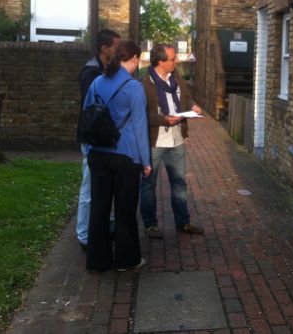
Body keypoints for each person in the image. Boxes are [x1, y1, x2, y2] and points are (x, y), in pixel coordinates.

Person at [83, 41, 152, 272]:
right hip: (125, 156)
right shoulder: (134, 88)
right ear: (132, 59)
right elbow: (141, 127)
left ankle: (97, 261)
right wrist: (146, 161)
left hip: (98, 153)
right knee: (125, 210)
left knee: (99, 208)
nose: (137, 65)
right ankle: (127, 260)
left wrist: (88, 147)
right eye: (138, 61)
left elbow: (87, 115)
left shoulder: (96, 82)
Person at [139, 44, 204, 237]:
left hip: (176, 140)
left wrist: (193, 106)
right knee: (148, 185)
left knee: (179, 183)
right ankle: (150, 225)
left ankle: (183, 222)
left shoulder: (176, 78)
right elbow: (140, 116)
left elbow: (187, 97)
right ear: (161, 61)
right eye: (172, 58)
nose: (175, 61)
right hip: (155, 143)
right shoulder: (143, 83)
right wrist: (163, 119)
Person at [75, 29, 121, 250]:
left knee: (99, 185)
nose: (118, 51)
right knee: (88, 186)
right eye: (115, 47)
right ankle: (84, 234)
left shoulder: (103, 70)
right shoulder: (90, 73)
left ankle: (100, 225)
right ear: (104, 48)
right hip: (93, 138)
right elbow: (92, 110)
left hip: (102, 138)